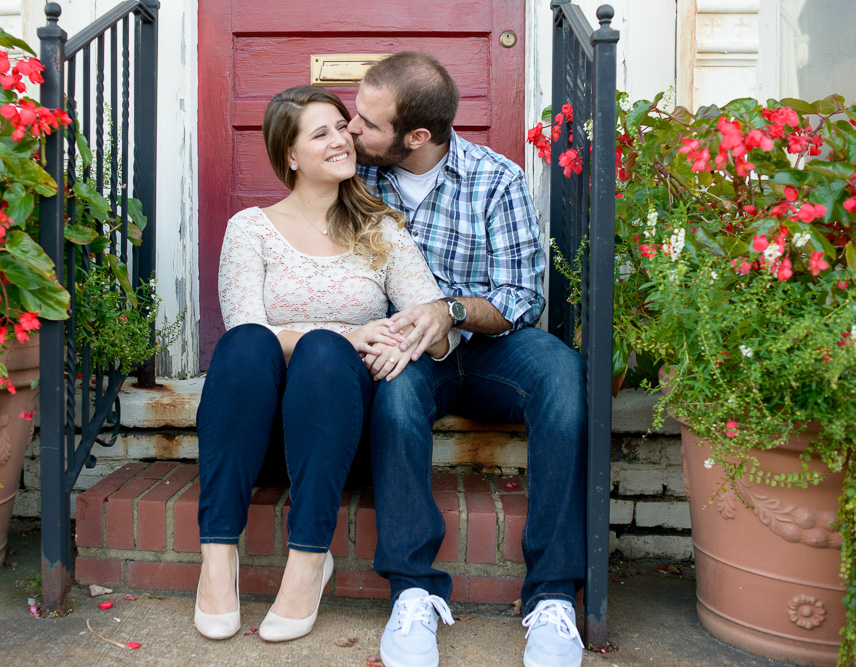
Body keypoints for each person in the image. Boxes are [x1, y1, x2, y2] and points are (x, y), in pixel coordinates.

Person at [193, 85, 460, 644]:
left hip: (339, 435)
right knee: (244, 345)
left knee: (321, 353)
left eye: (343, 126)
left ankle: (309, 558)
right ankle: (217, 559)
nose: (343, 138)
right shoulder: (251, 229)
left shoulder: (381, 230)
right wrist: (349, 334)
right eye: (322, 133)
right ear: (289, 155)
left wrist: (400, 341)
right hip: (257, 436)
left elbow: (435, 330)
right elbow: (249, 331)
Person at [346, 52, 588, 667]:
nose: (352, 129)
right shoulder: (354, 176)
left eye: (367, 123)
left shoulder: (495, 178)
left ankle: (553, 597)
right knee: (396, 394)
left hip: (489, 348)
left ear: (417, 136)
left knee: (562, 372)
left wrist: (450, 311)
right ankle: (412, 590)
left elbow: (522, 297)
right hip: (407, 351)